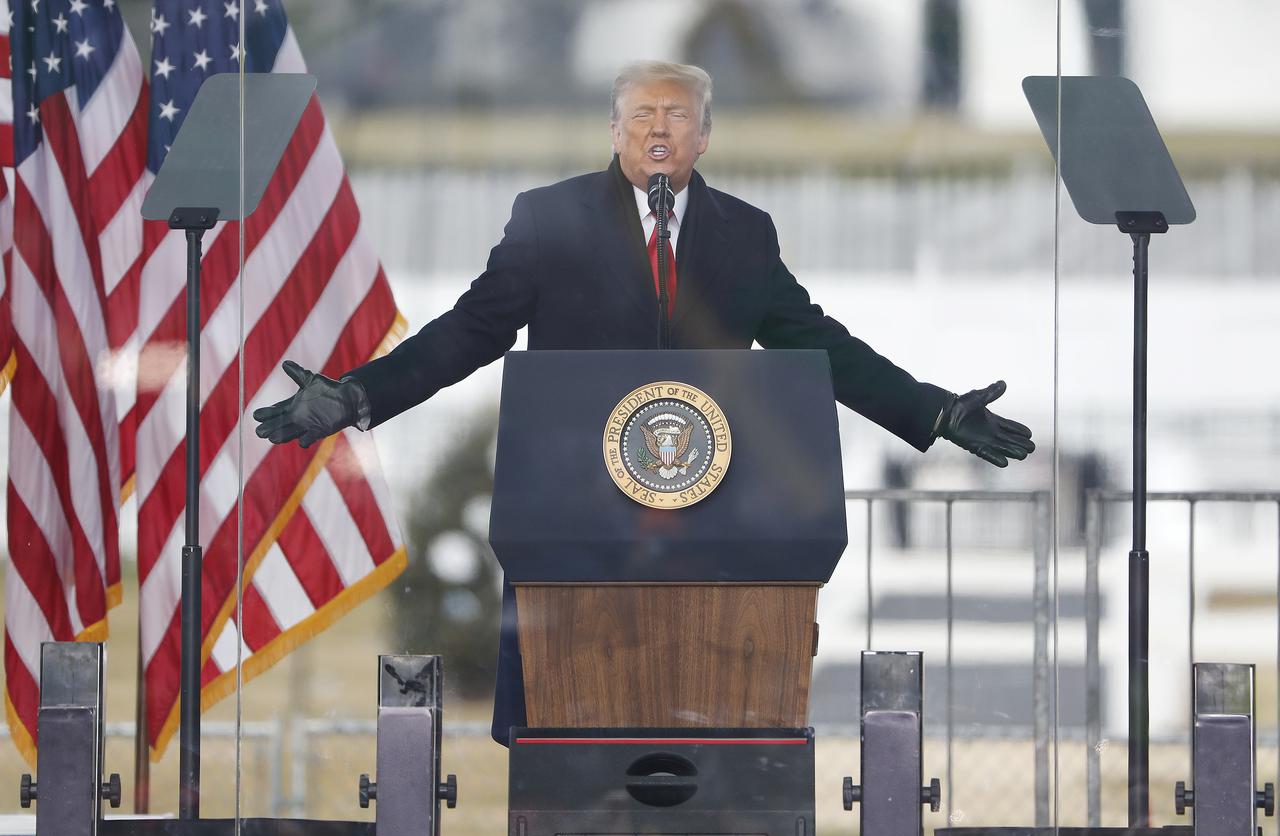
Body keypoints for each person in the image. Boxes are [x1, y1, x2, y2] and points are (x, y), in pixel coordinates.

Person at [253, 61, 1035, 744]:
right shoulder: (548, 219)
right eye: (642, 115)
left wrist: (930, 411)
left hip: (712, 531)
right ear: (615, 129)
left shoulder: (745, 233)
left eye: (677, 116)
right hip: (573, 521)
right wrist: (360, 392)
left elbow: (819, 344)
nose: (658, 129)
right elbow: (470, 331)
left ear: (705, 135)